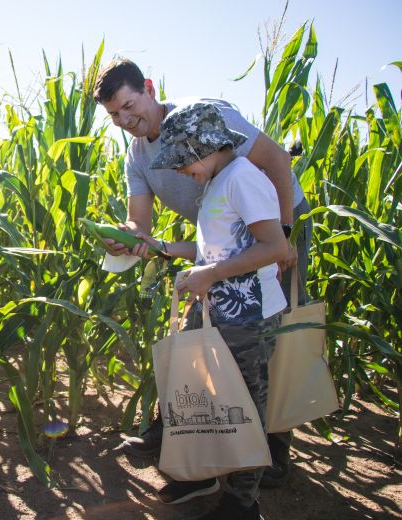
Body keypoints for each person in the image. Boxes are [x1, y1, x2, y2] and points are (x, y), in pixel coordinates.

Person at [93, 57, 311, 498]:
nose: (125, 120)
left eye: (130, 106)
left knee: (272, 333)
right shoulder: (137, 155)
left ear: (149, 88)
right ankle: (191, 436)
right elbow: (141, 225)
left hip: (273, 218)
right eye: (115, 115)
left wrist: (283, 237)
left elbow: (276, 163)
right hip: (218, 238)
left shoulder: (202, 119)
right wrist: (125, 238)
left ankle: (273, 446)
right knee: (207, 335)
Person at [146, 102, 288, 519]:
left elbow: (274, 248)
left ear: (206, 145)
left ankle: (243, 502)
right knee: (209, 397)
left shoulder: (243, 177)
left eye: (183, 161)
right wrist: (168, 249)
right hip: (219, 312)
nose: (178, 172)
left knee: (243, 407)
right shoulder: (217, 182)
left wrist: (211, 274)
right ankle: (203, 474)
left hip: (249, 317)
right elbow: (216, 249)